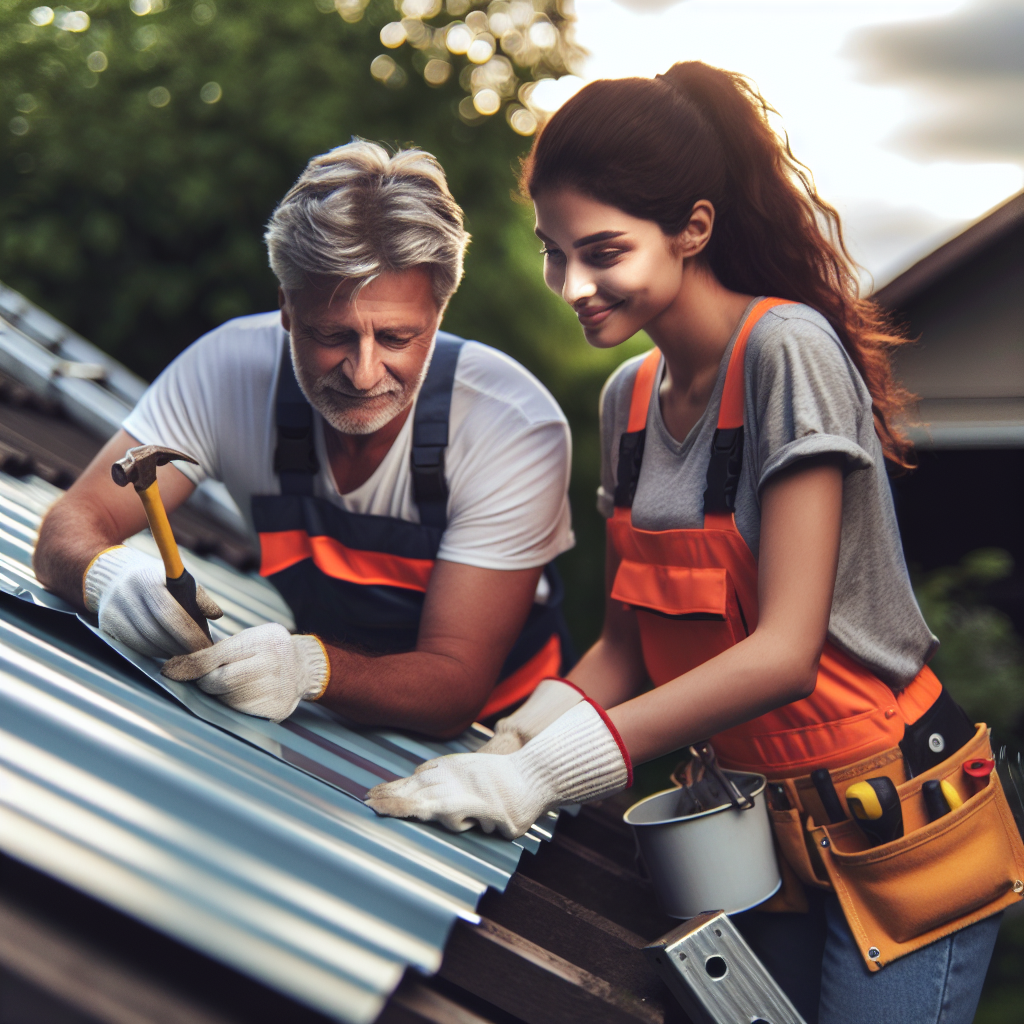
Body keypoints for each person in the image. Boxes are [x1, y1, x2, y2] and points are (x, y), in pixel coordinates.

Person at [365, 64, 1023, 1023]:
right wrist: (517, 739)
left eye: (602, 250)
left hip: (896, 823)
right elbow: (629, 645)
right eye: (555, 253)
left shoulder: (782, 354)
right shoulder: (626, 401)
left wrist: (544, 776)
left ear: (694, 229)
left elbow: (784, 652)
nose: (573, 286)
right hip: (755, 837)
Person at [34, 141, 576, 736]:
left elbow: (452, 688)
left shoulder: (514, 426)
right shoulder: (227, 371)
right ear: (286, 308)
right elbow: (70, 523)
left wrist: (306, 666)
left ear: (439, 315)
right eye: (332, 334)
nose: (364, 373)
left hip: (507, 740)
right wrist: (110, 578)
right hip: (328, 719)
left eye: (397, 338)